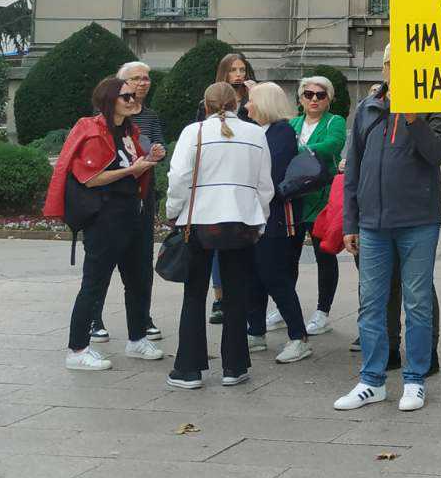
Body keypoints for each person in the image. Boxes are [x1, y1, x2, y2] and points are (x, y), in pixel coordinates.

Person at [333, 62, 441, 414]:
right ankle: (372, 380)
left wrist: (414, 120)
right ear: (385, 69)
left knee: (416, 302)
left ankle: (414, 380)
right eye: (391, 63)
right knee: (371, 302)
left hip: (418, 222)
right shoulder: (368, 108)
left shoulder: (433, 105)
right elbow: (353, 167)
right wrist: (350, 221)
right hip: (372, 224)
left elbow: (438, 154)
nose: (397, 68)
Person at [51, 77, 166, 372]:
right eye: (126, 96)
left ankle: (137, 338)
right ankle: (77, 349)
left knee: (139, 278)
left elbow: (131, 167)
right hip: (105, 217)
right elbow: (90, 177)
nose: (132, 100)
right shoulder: (93, 131)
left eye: (133, 96)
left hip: (132, 213)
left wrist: (147, 159)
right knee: (94, 283)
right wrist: (132, 169)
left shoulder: (129, 130)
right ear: (109, 100)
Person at [165, 82, 274, 389]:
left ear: (207, 105)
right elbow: (265, 184)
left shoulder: (193, 132)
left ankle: (188, 369)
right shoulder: (255, 134)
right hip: (242, 219)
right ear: (237, 102)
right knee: (237, 293)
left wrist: (173, 210)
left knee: (194, 294)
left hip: (200, 219)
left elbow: (179, 179)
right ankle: (235, 366)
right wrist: (259, 216)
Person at [89, 61, 167, 345]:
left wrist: (156, 152)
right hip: (107, 206)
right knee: (101, 268)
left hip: (141, 200)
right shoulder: (98, 124)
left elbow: (160, 146)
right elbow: (92, 169)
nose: (142, 84)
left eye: (146, 78)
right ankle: (93, 320)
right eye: (135, 80)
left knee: (140, 267)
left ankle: (141, 321)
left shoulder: (149, 117)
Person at [243, 82, 313, 365]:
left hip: (277, 217)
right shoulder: (263, 131)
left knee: (275, 277)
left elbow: (272, 177)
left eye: (250, 101)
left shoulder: (281, 132)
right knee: (255, 276)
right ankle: (256, 330)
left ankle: (299, 337)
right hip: (259, 214)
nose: (246, 106)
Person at [288, 75, 346, 337]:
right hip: (296, 198)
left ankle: (323, 311)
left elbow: (332, 145)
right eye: (308, 94)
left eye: (320, 95)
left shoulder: (336, 122)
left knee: (325, 254)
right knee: (288, 256)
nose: (313, 99)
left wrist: (299, 150)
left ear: (329, 99)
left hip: (322, 198)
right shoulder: (293, 123)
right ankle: (285, 304)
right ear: (300, 98)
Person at [204, 52, 256, 326]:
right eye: (233, 70)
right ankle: (219, 297)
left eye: (242, 69)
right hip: (216, 182)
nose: (239, 74)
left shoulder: (252, 100)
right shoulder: (210, 102)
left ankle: (243, 298)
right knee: (217, 244)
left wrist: (254, 97)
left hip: (243, 179)